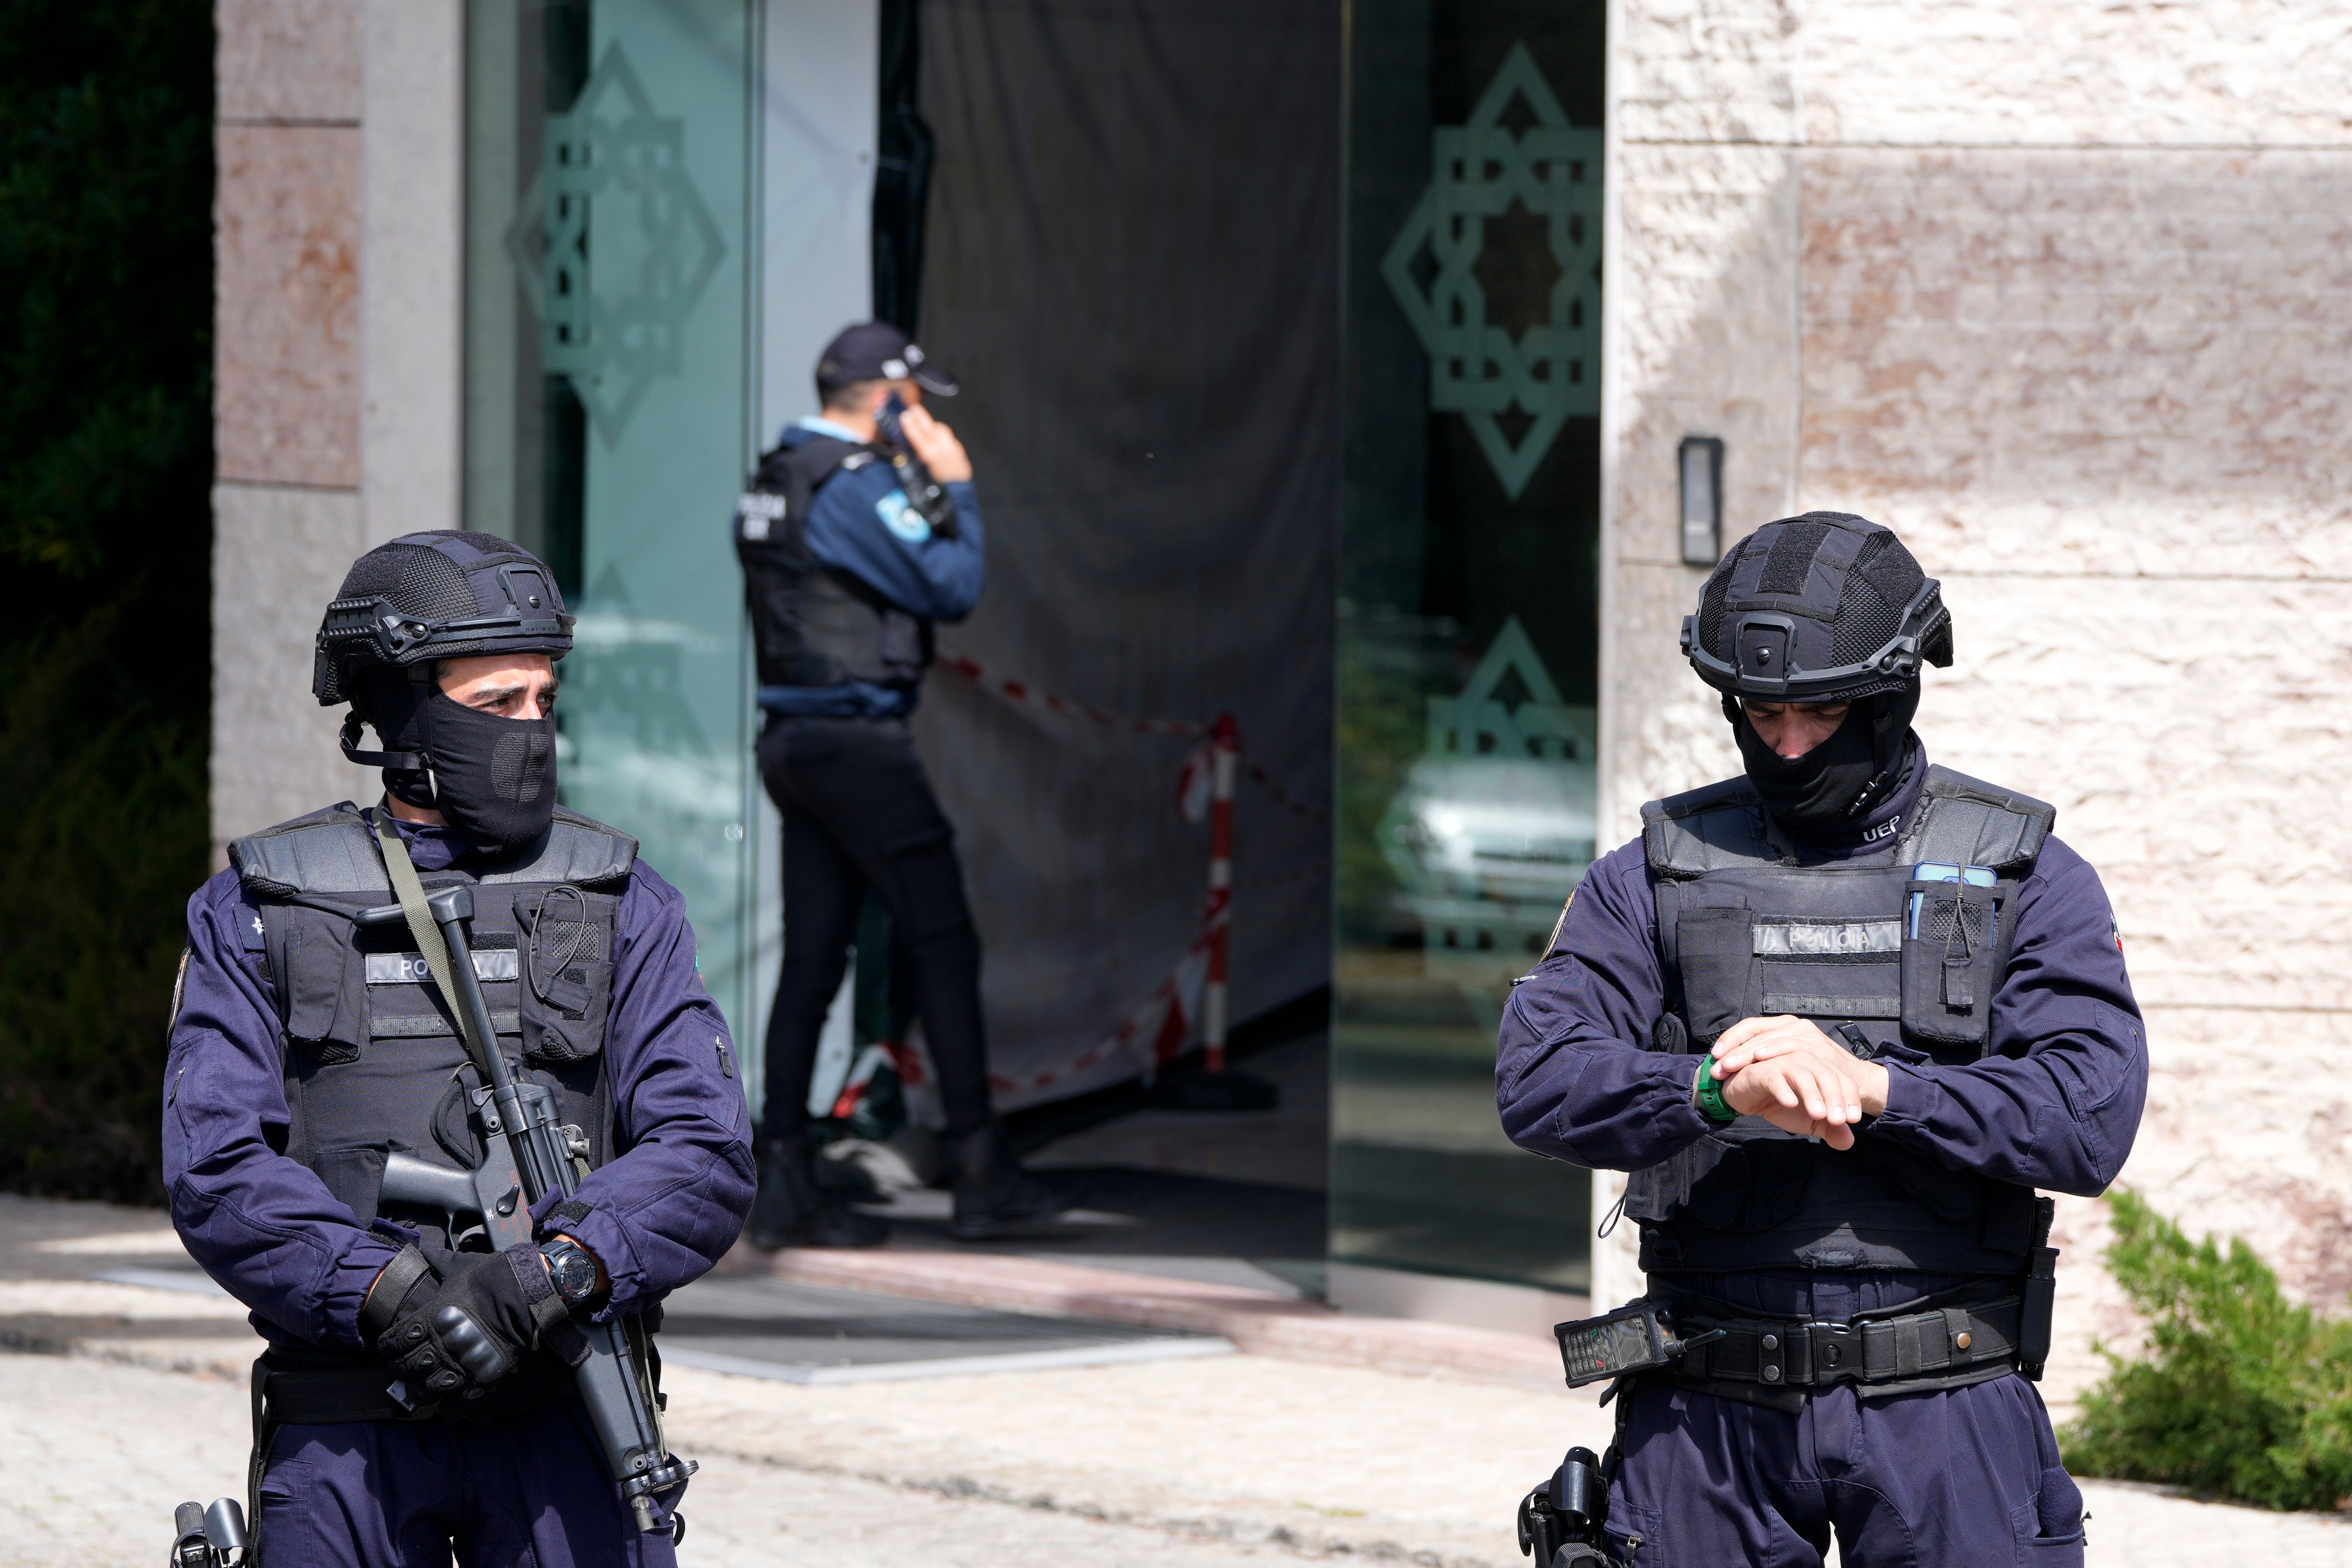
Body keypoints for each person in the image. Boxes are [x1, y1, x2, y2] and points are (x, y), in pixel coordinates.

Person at [1498, 513, 2146, 1566]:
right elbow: (1535, 1078)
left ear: (1895, 692)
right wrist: (1712, 1088)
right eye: (1758, 712)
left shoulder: (2027, 876)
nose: (1786, 744)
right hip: (1705, 1416)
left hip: (1943, 1409)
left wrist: (1876, 1088)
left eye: (1823, 711)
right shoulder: (1654, 875)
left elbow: (2085, 1119)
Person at [164, 531, 754, 1566]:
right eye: (496, 704)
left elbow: (704, 1151)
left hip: (563, 1411)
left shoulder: (622, 900)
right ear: (399, 712)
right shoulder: (260, 907)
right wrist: (382, 1292)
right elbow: (215, 1166)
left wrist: (551, 1276)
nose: (532, 730)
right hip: (349, 1419)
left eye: (545, 701)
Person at [733, 320, 1072, 1246]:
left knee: (815, 958)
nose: (922, 418)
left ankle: (786, 1173)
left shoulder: (776, 475)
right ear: (886, 401)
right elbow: (953, 587)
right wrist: (955, 482)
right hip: (856, 747)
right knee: (943, 942)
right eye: (916, 401)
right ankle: (980, 1170)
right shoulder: (852, 485)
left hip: (794, 744)